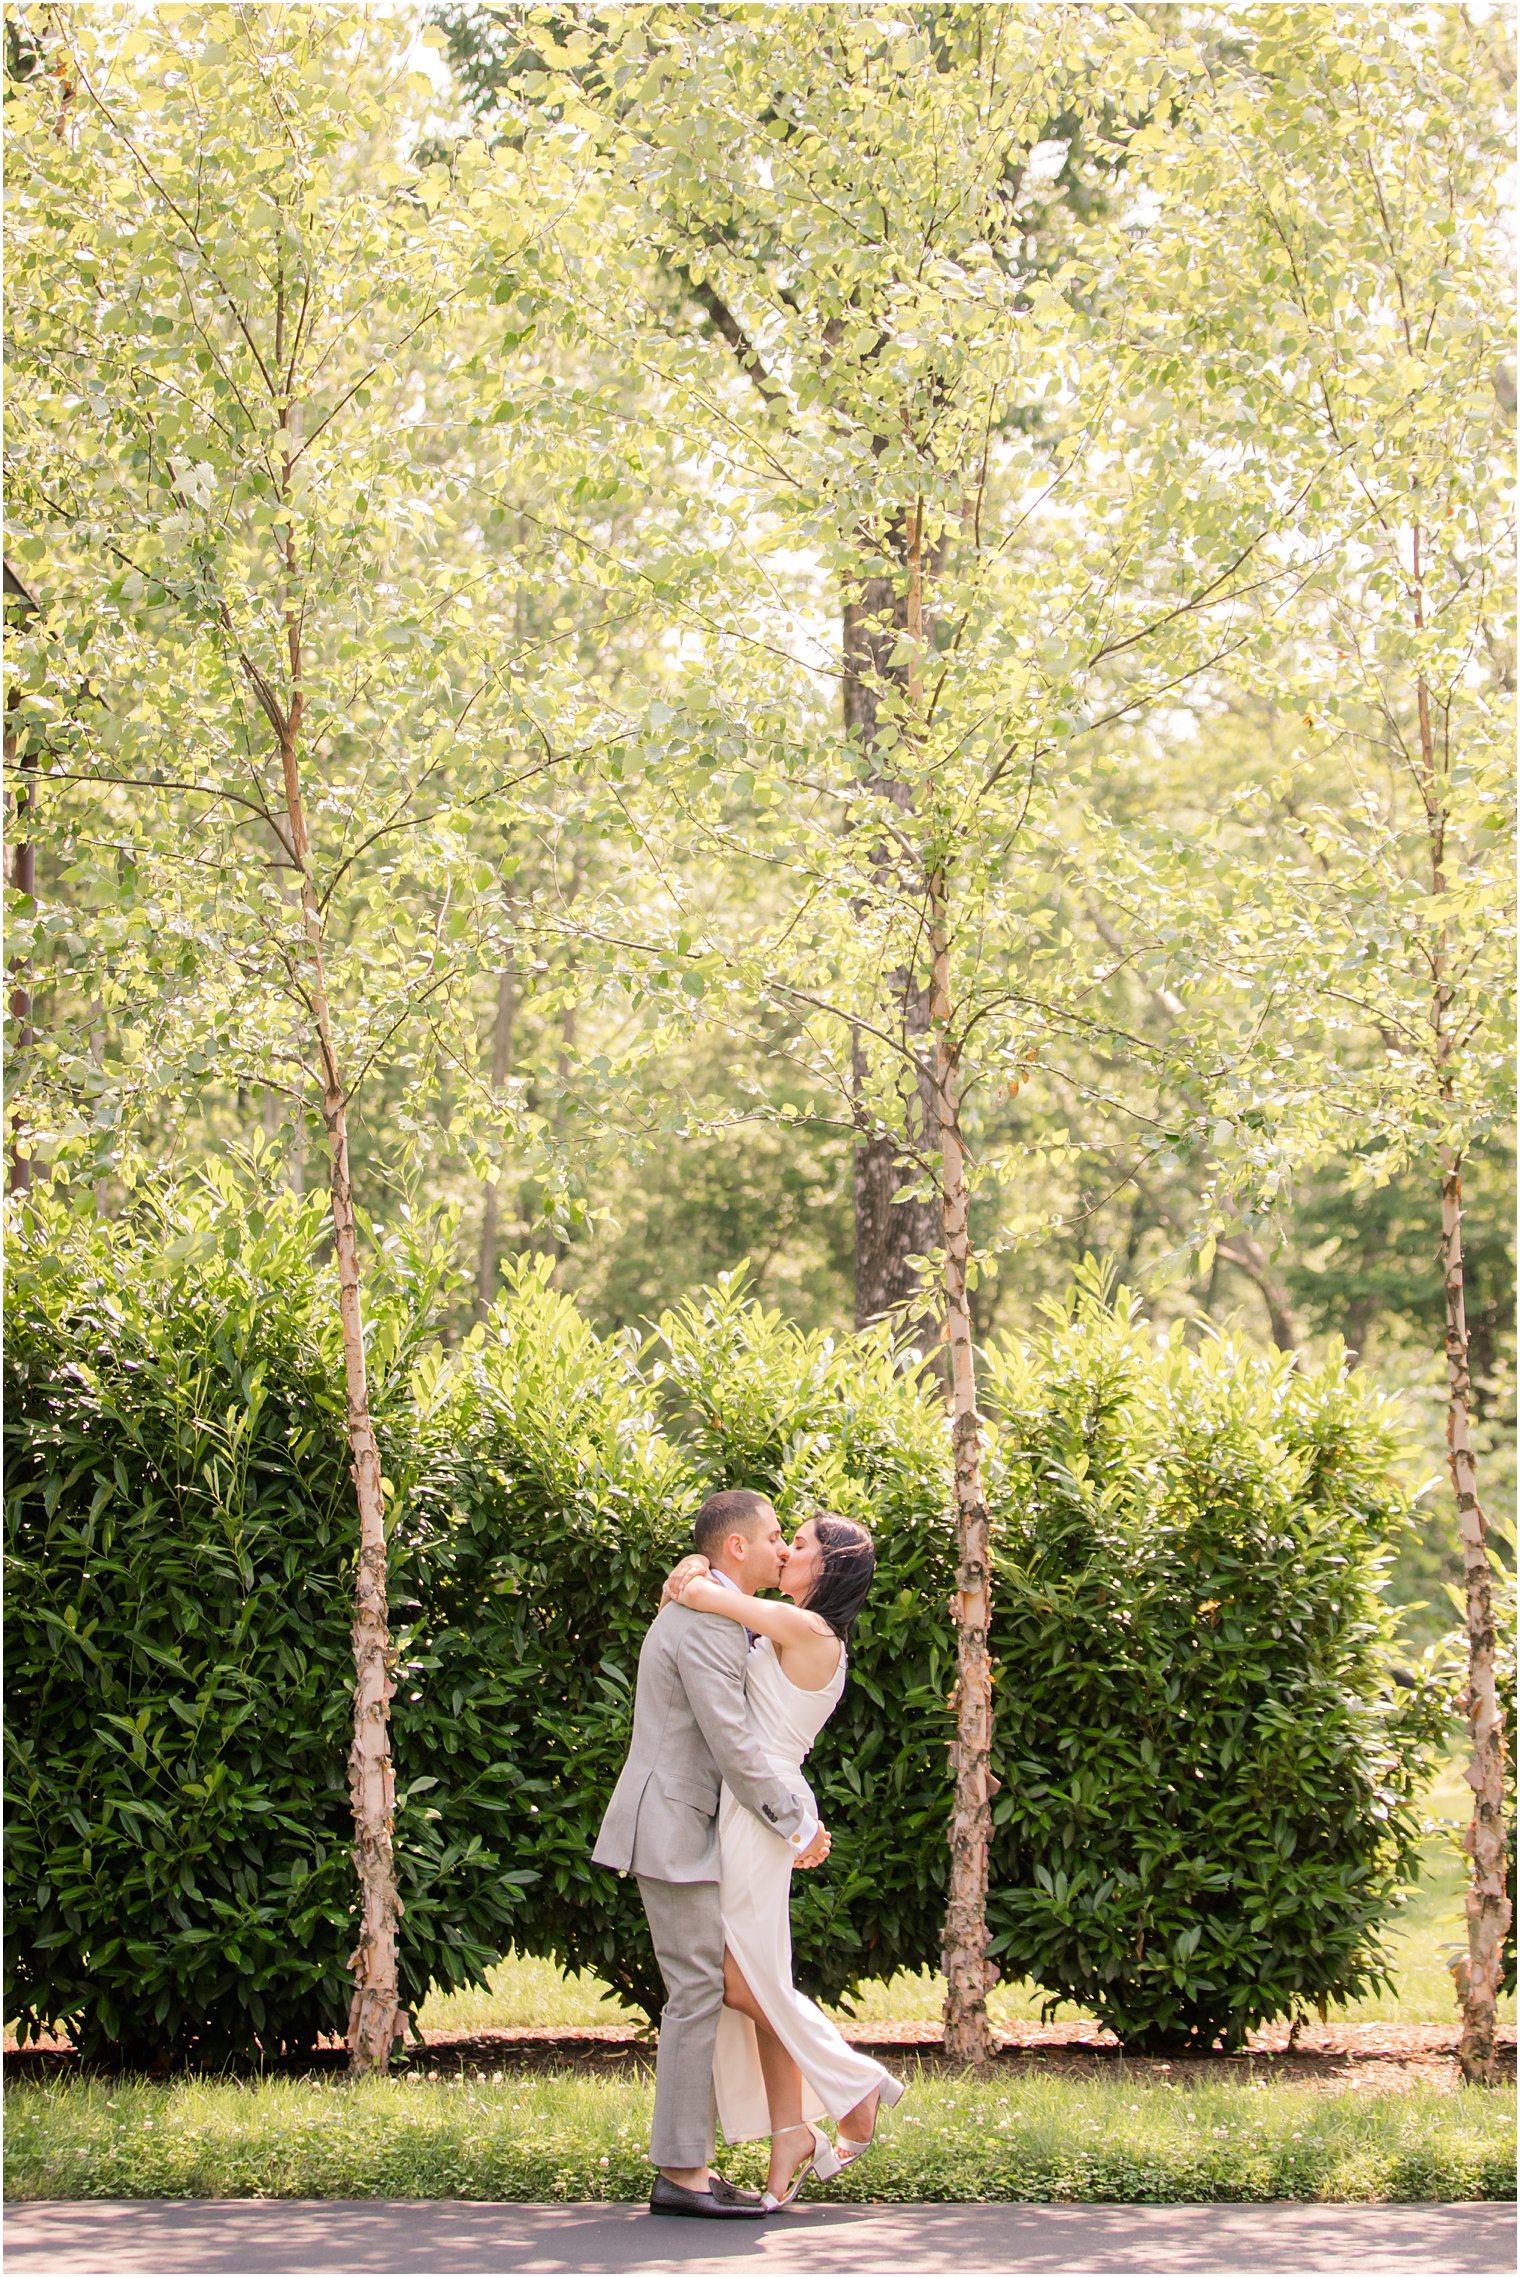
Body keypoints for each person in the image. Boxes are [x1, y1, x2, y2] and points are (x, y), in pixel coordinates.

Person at [591, 1488, 830, 2221]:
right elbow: (731, 1741)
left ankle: (691, 2164)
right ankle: (683, 2173)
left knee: (701, 1990)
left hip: (682, 1824)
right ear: (736, 1548)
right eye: (773, 1538)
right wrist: (796, 1822)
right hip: (671, 1825)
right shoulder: (703, 1618)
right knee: (697, 1992)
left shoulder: (712, 1605)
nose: (783, 1549)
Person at [660, 1508, 905, 2209]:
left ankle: (854, 2085)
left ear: (826, 1566)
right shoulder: (799, 1625)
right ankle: (791, 2132)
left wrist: (693, 1569)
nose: (785, 1551)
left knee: (738, 1982)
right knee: (758, 1975)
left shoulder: (807, 1627)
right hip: (760, 1802)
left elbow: (705, 1595)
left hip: (756, 1807)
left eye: (796, 1544)